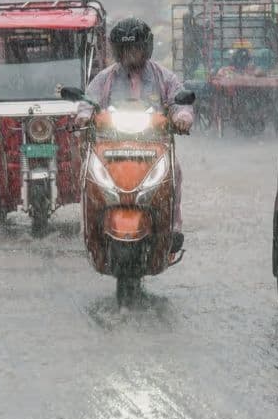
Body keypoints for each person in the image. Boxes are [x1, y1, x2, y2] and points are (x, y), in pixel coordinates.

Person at [77, 18, 193, 253]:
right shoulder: (104, 78)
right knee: (87, 174)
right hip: (110, 146)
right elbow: (88, 100)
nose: (130, 54)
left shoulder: (163, 76)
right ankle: (90, 229)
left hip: (154, 145)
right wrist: (84, 114)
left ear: (146, 48)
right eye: (125, 49)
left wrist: (182, 117)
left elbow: (180, 100)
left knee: (175, 171)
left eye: (136, 48)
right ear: (117, 51)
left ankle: (173, 228)